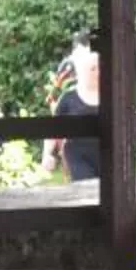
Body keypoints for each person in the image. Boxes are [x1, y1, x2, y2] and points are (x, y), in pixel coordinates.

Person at [45, 40, 102, 182]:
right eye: (93, 69)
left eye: (100, 68)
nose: (98, 72)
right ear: (82, 71)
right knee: (87, 190)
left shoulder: (113, 96)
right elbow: (53, 128)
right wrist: (47, 154)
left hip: (107, 154)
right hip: (77, 155)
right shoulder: (68, 97)